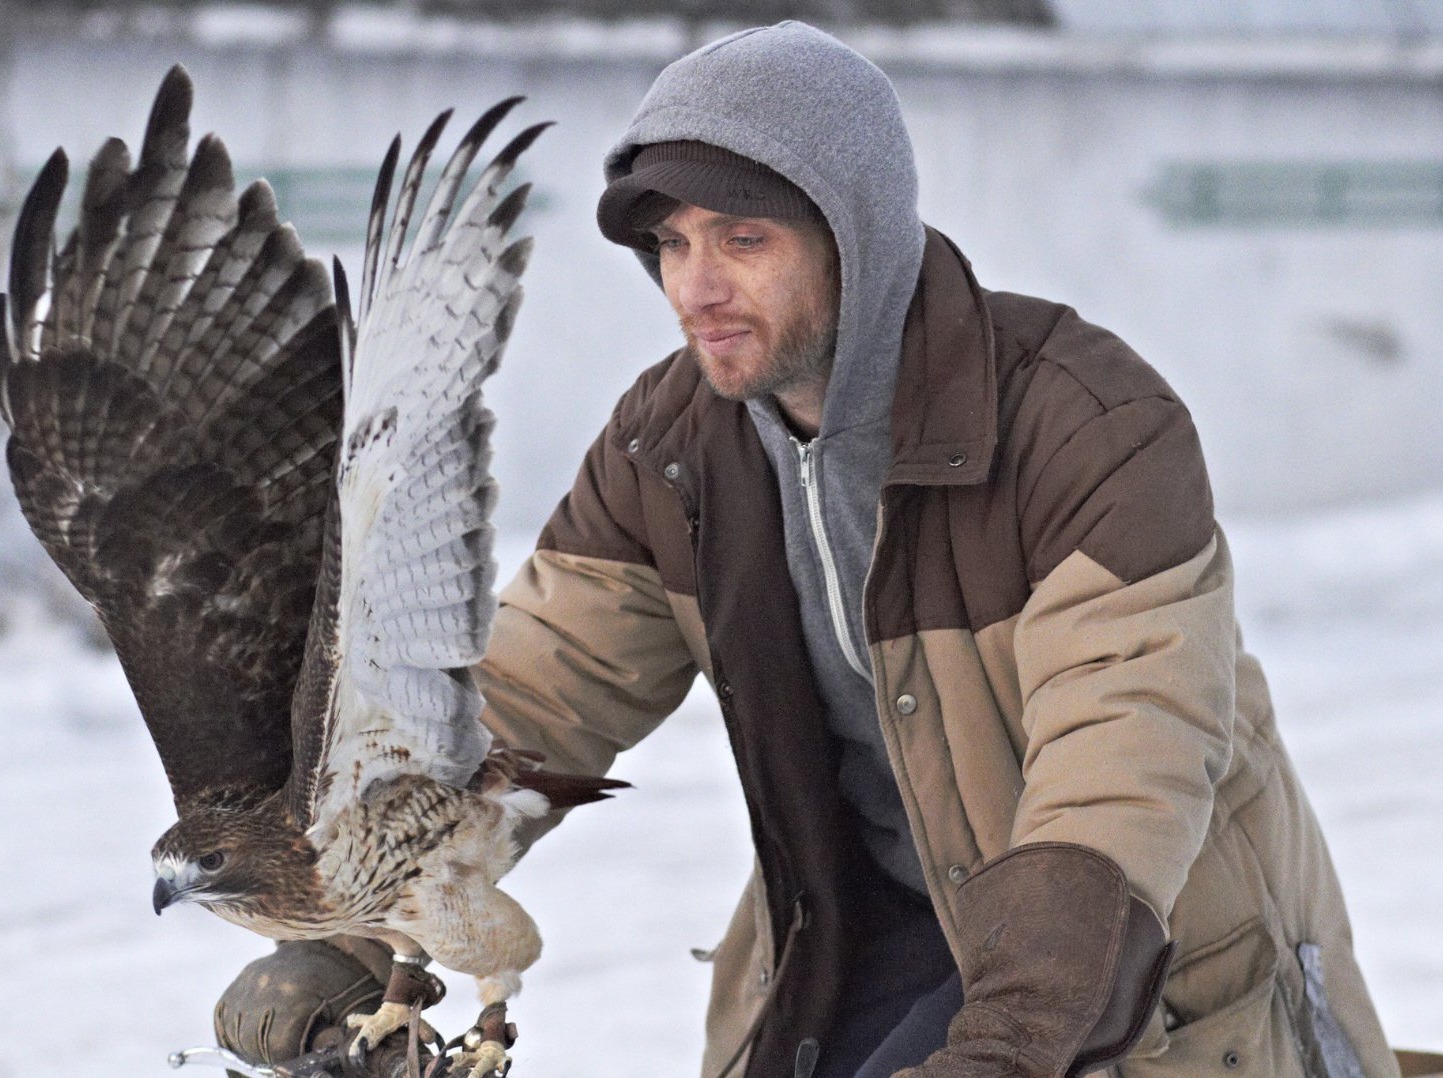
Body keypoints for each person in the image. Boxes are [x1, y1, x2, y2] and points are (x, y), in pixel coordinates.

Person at [216, 20, 1402, 1078]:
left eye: (742, 238)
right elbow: (524, 701)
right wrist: (351, 924)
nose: (697, 287)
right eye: (672, 245)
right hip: (860, 926)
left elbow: (1119, 775)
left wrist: (1003, 1051)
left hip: (1125, 959)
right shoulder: (668, 445)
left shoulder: (1085, 426)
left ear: (858, 237)